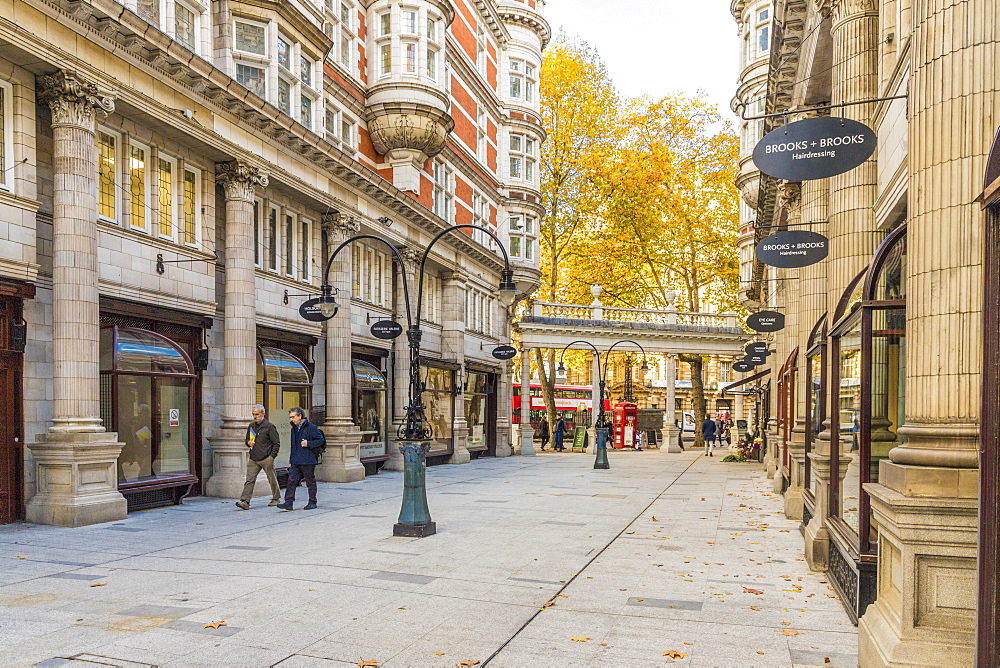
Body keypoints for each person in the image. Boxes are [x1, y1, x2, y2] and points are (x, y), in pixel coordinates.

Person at [276, 407, 325, 510]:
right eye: (290, 417)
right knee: (291, 480)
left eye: (293, 417)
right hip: (296, 460)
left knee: (310, 481)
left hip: (308, 459)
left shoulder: (311, 427)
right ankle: (288, 502)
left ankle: (312, 501)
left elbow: (320, 440)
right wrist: (291, 460)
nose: (291, 419)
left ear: (300, 416)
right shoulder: (294, 428)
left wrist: (308, 443)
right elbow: (293, 445)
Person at [236, 405, 282, 510]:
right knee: (249, 480)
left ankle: (276, 498)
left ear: (263, 414)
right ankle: (245, 501)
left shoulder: (269, 426)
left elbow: (276, 443)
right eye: (253, 414)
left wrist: (271, 457)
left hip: (266, 458)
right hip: (254, 457)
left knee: (272, 479)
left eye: (257, 414)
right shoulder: (251, 426)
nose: (255, 416)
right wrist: (248, 443)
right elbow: (247, 439)